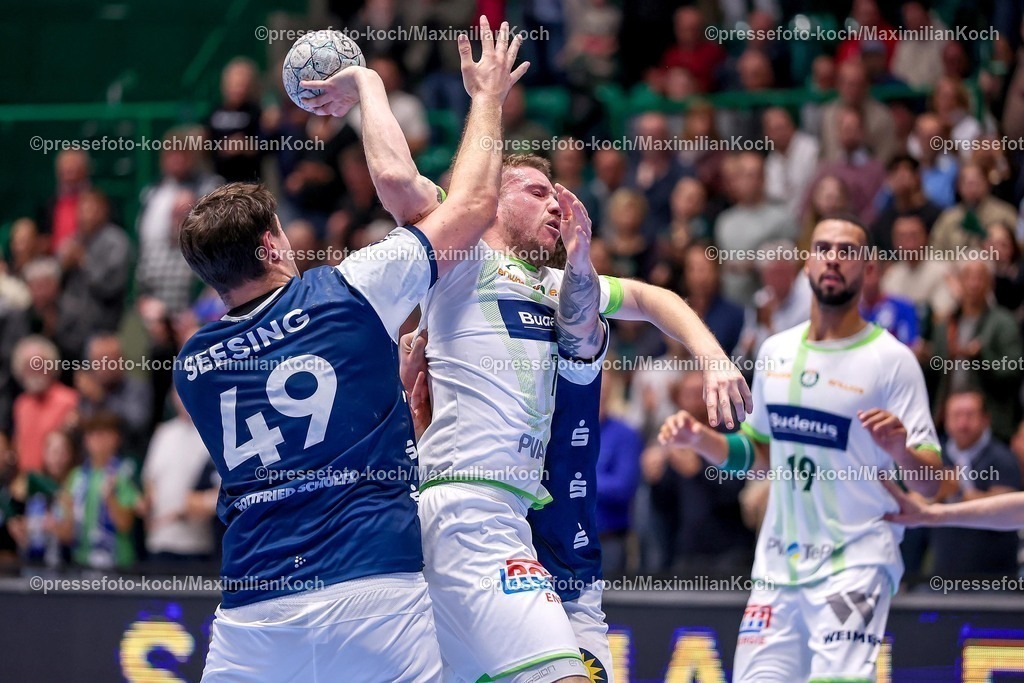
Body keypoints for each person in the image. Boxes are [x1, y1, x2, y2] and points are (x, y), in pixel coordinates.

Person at [173, 19, 526, 682]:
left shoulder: (193, 365)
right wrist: (478, 97)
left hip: (254, 610)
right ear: (275, 246)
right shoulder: (345, 290)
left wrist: (376, 378)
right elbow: (473, 203)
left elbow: (292, 397)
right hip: (375, 589)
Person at [660, 214, 943, 683]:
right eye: (823, 248)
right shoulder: (775, 351)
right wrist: (699, 438)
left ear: (867, 269)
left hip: (857, 560)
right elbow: (759, 453)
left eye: (847, 250)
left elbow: (931, 484)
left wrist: (901, 450)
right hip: (777, 567)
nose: (834, 258)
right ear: (806, 263)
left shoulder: (892, 361)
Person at [930, 391, 1021, 579]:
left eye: (970, 415)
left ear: (986, 419)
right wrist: (935, 493)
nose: (963, 424)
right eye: (956, 416)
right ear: (945, 419)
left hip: (996, 579)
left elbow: (1010, 508)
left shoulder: (1002, 457)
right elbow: (913, 501)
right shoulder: (934, 456)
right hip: (944, 577)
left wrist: (957, 494)